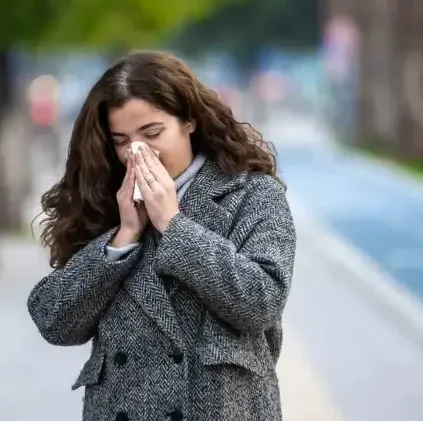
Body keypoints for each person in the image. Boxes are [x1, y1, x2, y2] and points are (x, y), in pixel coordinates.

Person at [27, 51, 296, 421]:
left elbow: (261, 302)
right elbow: (54, 321)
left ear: (188, 121)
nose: (137, 151)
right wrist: (123, 238)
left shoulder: (252, 194)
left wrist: (173, 225)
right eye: (121, 140)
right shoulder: (105, 199)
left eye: (152, 133)